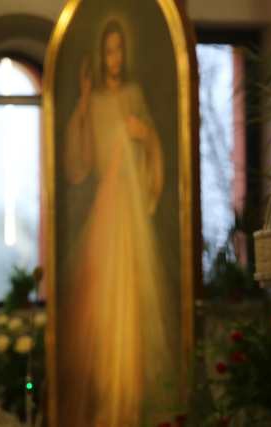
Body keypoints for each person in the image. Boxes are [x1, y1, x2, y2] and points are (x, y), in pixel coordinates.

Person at [63, 18, 178, 426]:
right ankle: (104, 404)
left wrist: (144, 135)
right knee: (101, 300)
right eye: (108, 50)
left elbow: (153, 150)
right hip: (108, 207)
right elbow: (79, 167)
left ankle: (128, 404)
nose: (114, 58)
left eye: (119, 50)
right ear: (101, 55)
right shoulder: (93, 103)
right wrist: (81, 104)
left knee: (131, 299)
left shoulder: (134, 94)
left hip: (130, 211)